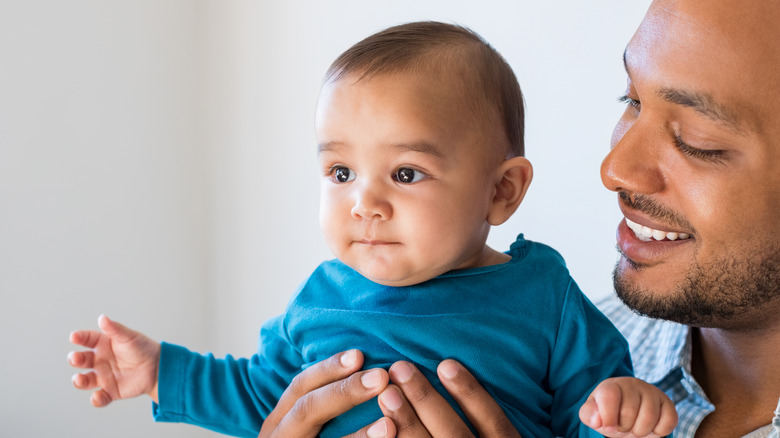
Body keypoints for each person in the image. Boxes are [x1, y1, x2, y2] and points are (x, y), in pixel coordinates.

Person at [67, 21, 677, 438]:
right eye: (340, 171)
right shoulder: (321, 296)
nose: (365, 203)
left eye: (406, 173)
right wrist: (160, 373)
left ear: (501, 190)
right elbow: (259, 394)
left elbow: (591, 408)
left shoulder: (544, 295)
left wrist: (623, 411)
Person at [249, 0, 780, 437]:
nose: (615, 170)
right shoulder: (595, 345)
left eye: (697, 141)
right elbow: (249, 387)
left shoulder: (562, 337)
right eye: (632, 99)